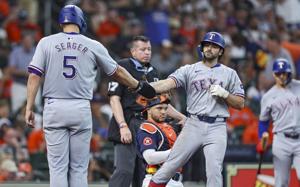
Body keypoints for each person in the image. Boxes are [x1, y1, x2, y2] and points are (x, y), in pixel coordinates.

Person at [24, 5, 155, 187]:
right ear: (81, 21)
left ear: (62, 21)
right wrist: (138, 85)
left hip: (54, 106)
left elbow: (34, 76)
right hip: (80, 107)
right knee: (78, 168)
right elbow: (117, 71)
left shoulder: (46, 42)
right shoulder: (92, 44)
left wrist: (29, 107)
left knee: (58, 168)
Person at [148, 31, 245, 187]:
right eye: (207, 45)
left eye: (214, 46)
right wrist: (143, 87)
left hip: (217, 126)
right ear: (202, 47)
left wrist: (226, 95)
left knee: (214, 171)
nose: (209, 48)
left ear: (220, 51)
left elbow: (240, 103)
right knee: (171, 165)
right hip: (194, 123)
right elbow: (167, 83)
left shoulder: (230, 74)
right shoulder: (189, 69)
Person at [108, 35, 185, 187]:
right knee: (124, 170)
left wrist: (182, 117)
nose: (147, 52)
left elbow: (161, 103)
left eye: (149, 49)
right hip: (127, 121)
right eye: (142, 49)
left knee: (144, 172)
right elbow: (114, 98)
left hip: (147, 124)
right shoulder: (122, 66)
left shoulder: (153, 72)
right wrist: (122, 126)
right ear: (133, 52)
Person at [256, 58, 300, 187]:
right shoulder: (268, 96)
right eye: (278, 73)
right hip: (281, 140)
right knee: (281, 182)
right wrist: (261, 137)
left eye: (284, 73)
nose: (282, 76)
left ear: (289, 73)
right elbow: (263, 122)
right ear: (274, 74)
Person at [136, 94, 183, 187]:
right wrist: (177, 152)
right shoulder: (147, 128)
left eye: (165, 109)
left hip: (175, 181)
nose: (163, 112)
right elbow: (150, 158)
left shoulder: (168, 127)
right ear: (148, 110)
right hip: (156, 179)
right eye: (159, 108)